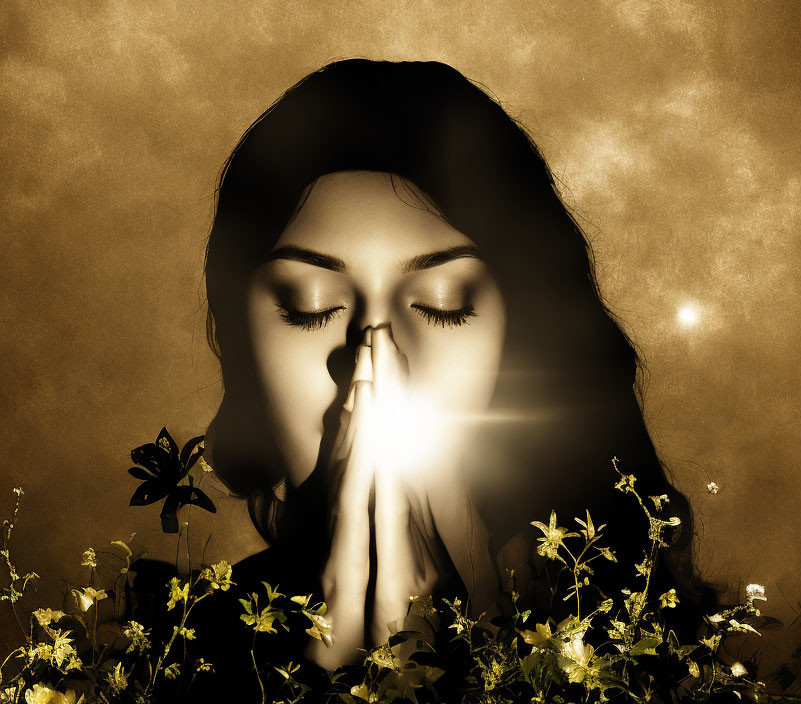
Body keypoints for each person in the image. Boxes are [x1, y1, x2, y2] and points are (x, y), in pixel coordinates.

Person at [132, 58, 718, 699]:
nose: (376, 359)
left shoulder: (644, 642)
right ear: (246, 345)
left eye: (443, 302)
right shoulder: (171, 652)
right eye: (309, 304)